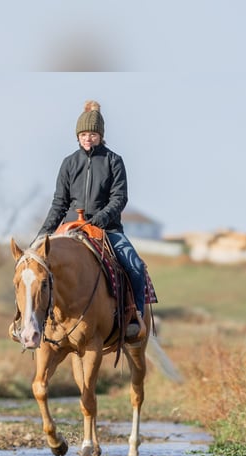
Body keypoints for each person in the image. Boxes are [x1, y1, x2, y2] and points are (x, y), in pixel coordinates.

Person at [38, 100, 147, 340]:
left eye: (94, 134)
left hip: (107, 228)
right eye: (84, 134)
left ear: (101, 136)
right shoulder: (68, 163)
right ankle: (29, 321)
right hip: (69, 228)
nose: (88, 138)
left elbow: (119, 198)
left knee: (136, 266)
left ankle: (134, 316)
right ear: (78, 136)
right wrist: (42, 234)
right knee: (34, 268)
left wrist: (98, 219)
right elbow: (59, 203)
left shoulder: (114, 161)